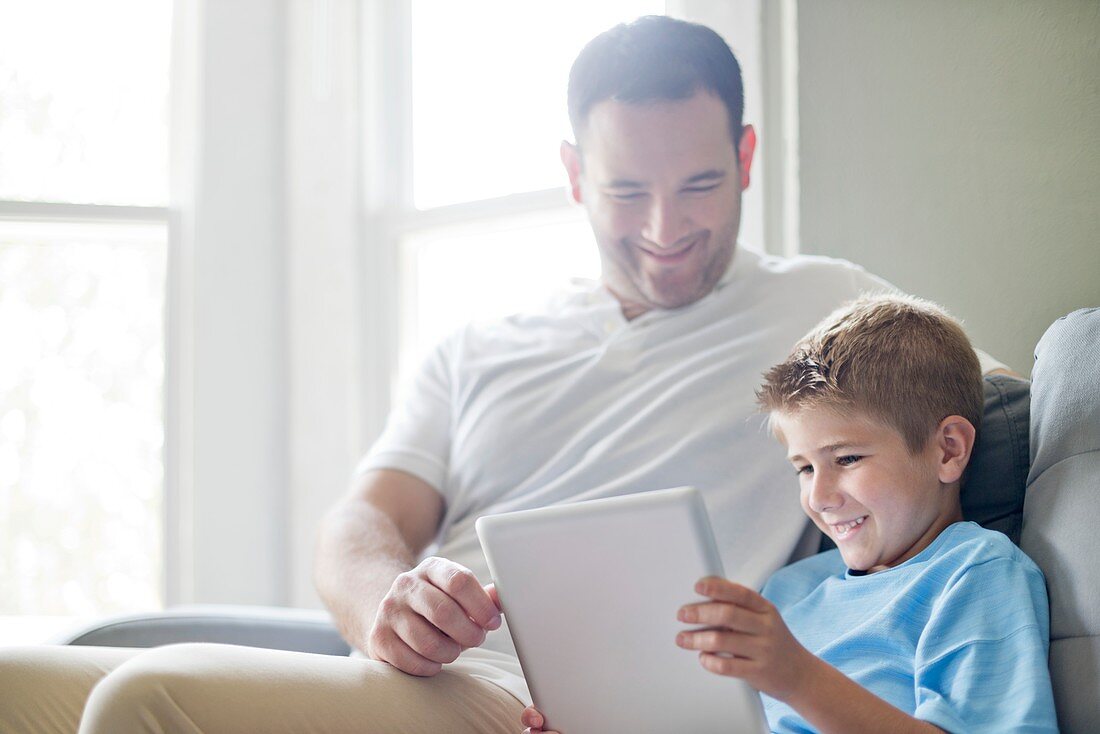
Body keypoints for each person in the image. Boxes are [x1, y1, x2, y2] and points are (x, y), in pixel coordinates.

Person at [0, 16, 1005, 734]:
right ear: (572, 174)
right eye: (624, 191)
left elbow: (984, 397)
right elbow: (359, 522)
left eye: (699, 184)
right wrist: (386, 600)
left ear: (744, 157)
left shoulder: (820, 307)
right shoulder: (477, 341)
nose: (664, 229)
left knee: (144, 703)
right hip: (416, 676)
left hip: (538, 705)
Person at [522, 295, 1056, 733]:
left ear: (947, 450)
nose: (820, 496)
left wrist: (797, 676)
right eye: (803, 467)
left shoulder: (975, 572)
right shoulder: (791, 590)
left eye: (846, 459)